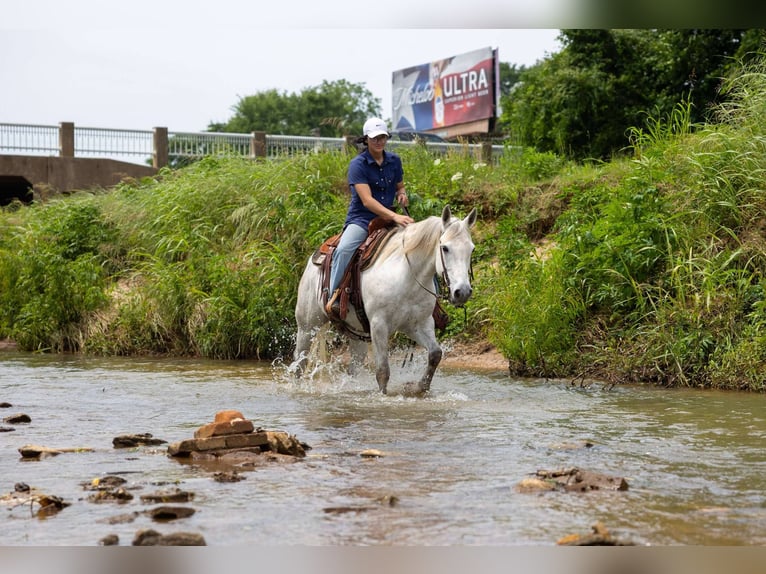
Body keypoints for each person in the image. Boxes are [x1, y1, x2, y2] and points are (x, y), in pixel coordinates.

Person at [325, 117, 415, 318]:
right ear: (366, 139)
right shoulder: (358, 164)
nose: (379, 141)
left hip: (390, 217)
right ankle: (333, 295)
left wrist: (402, 194)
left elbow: (400, 185)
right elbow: (367, 201)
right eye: (374, 138)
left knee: (420, 243)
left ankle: (431, 299)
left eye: (382, 137)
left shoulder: (394, 160)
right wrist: (396, 216)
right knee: (344, 248)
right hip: (362, 219)